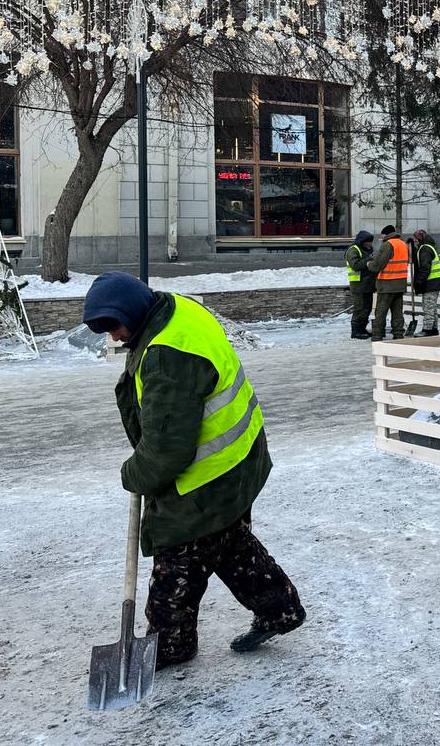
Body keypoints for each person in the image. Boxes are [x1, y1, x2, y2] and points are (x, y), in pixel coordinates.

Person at [81, 271, 305, 668]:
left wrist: (135, 473)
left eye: (113, 326)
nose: (113, 338)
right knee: (226, 542)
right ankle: (279, 609)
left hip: (207, 476)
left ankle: (170, 645)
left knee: (177, 562)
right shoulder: (176, 308)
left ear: (132, 311)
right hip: (239, 457)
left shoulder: (169, 357)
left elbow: (168, 450)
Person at [368, 224, 411, 340]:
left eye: (382, 235)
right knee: (397, 311)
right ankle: (398, 333)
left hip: (387, 283)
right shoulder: (403, 244)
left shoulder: (387, 245)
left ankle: (377, 334)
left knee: (381, 311)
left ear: (386, 234)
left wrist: (369, 265)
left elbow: (378, 264)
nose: (381, 238)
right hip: (400, 284)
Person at [411, 228, 440, 338]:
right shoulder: (427, 247)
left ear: (420, 239)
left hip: (430, 283)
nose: (415, 242)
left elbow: (425, 268)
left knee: (428, 307)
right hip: (434, 283)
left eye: (416, 240)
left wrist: (419, 282)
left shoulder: (425, 249)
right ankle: (434, 328)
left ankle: (427, 329)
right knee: (432, 307)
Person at [345, 230, 376, 340]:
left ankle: (362, 328)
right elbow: (356, 265)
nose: (370, 244)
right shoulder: (353, 250)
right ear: (363, 241)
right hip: (358, 285)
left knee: (367, 308)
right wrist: (369, 259)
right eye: (368, 242)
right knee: (359, 308)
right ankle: (356, 331)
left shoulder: (366, 250)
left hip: (368, 284)